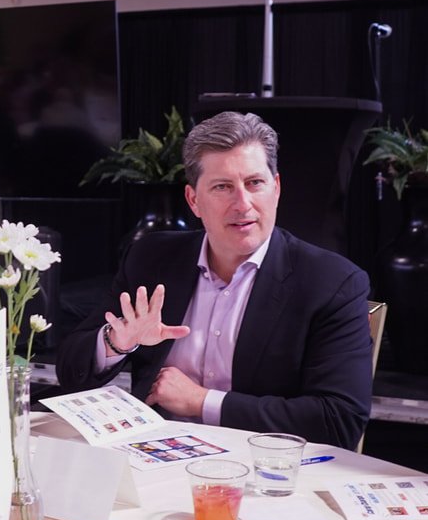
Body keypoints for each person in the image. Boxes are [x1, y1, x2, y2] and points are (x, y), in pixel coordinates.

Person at [56, 111, 373, 450]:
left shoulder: (333, 282)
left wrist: (202, 401)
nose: (243, 204)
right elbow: (71, 368)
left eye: (255, 183)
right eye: (223, 187)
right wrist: (117, 343)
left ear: (276, 188)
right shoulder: (152, 258)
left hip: (261, 467)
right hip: (152, 457)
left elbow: (338, 421)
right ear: (194, 200)